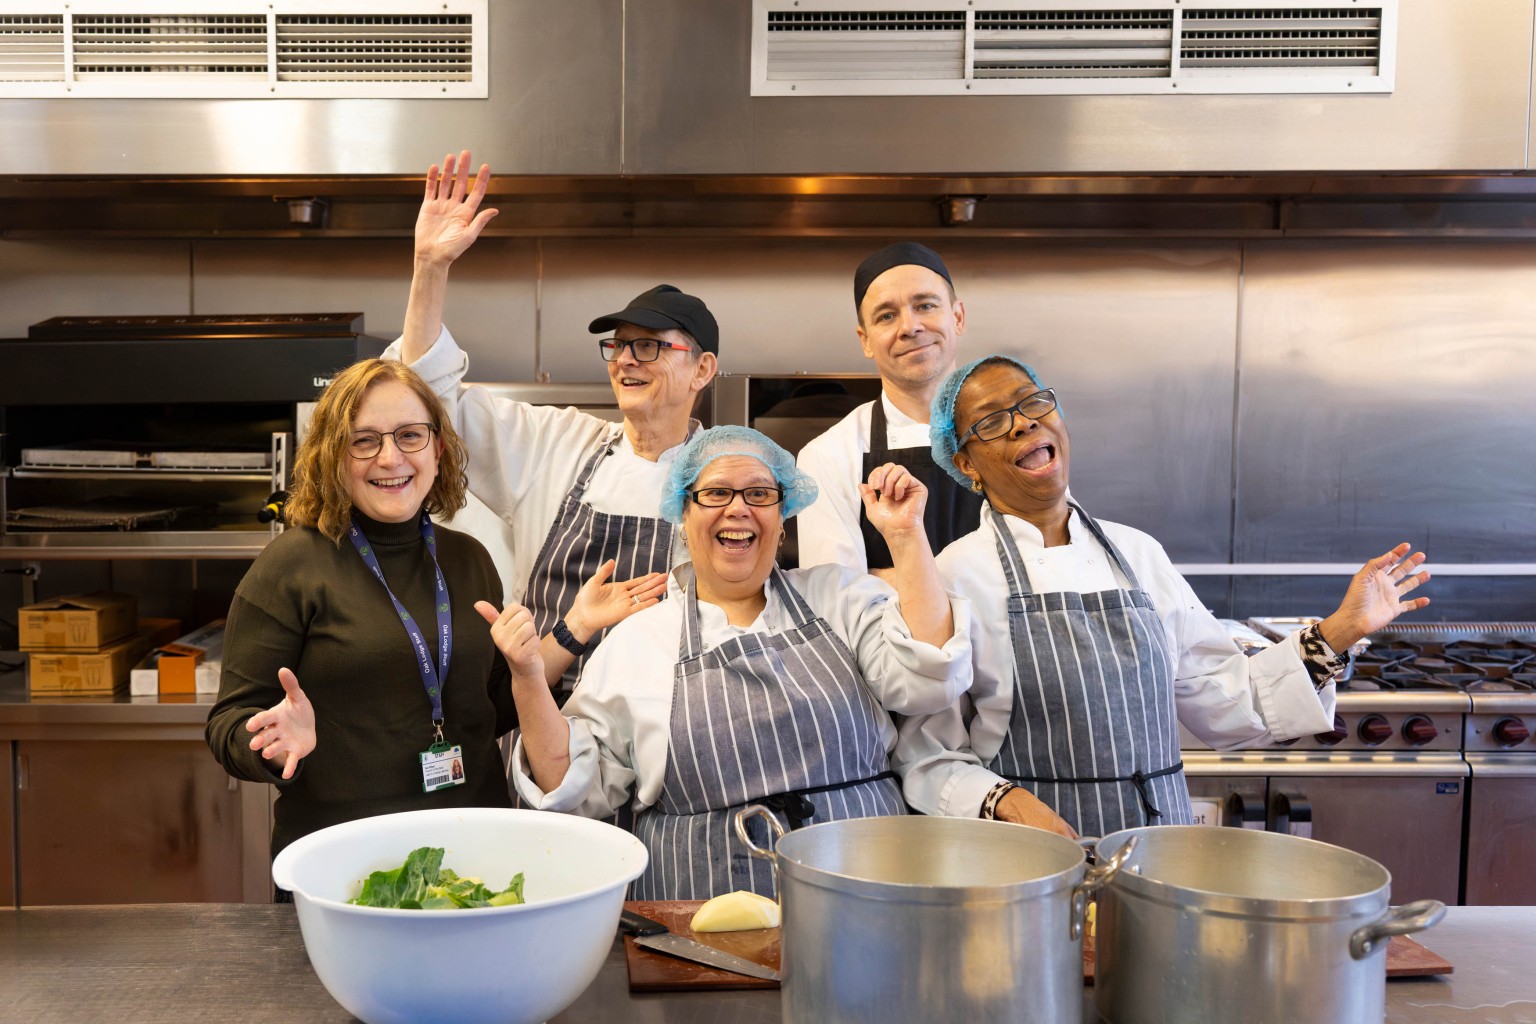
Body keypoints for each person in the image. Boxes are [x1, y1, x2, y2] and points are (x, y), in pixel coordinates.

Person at [896, 355, 1432, 839]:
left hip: (1158, 850)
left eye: (1032, 402)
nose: (1023, 422)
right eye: (991, 421)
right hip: (1029, 858)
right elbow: (927, 753)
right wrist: (1004, 802)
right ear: (965, 463)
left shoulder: (1138, 553)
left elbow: (1221, 698)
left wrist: (1342, 628)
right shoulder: (953, 575)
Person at [476, 427, 974, 900]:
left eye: (759, 494)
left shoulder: (840, 597)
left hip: (870, 895)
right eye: (716, 493)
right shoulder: (639, 640)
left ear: (782, 520)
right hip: (700, 921)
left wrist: (907, 534)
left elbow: (929, 680)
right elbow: (573, 787)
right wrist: (528, 679)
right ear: (683, 516)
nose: (738, 508)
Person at [385, 150, 711, 697]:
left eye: (649, 346)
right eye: (618, 345)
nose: (626, 359)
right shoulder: (555, 443)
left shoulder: (727, 479)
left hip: (663, 726)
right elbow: (427, 397)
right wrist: (430, 268)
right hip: (537, 714)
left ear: (703, 368)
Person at [205, 359, 518, 861]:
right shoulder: (291, 566)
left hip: (474, 849)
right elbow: (228, 724)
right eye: (364, 440)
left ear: (437, 448)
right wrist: (274, 743)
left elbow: (489, 707)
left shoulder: (468, 559)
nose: (390, 458)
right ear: (333, 456)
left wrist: (561, 643)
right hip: (346, 862)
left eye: (410, 436)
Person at [796, 242, 980, 575]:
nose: (909, 327)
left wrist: (883, 578)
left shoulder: (1017, 431)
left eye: (925, 305)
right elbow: (838, 601)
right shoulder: (828, 457)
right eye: (887, 315)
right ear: (865, 340)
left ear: (957, 317)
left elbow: (1053, 564)